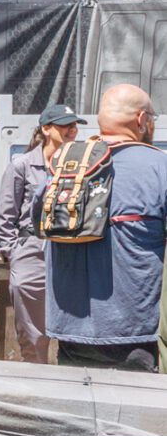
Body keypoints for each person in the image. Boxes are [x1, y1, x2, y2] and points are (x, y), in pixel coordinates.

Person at [46, 83, 167, 372]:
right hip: (136, 335)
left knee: (78, 401)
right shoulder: (159, 167)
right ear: (141, 119)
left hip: (69, 331)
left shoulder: (64, 166)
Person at [0, 103, 83, 362]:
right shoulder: (22, 165)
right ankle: (36, 375)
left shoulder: (80, 165)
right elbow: (5, 217)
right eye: (65, 125)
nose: (72, 130)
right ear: (46, 129)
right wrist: (16, 253)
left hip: (71, 251)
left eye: (74, 125)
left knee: (74, 325)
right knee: (33, 333)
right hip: (32, 249)